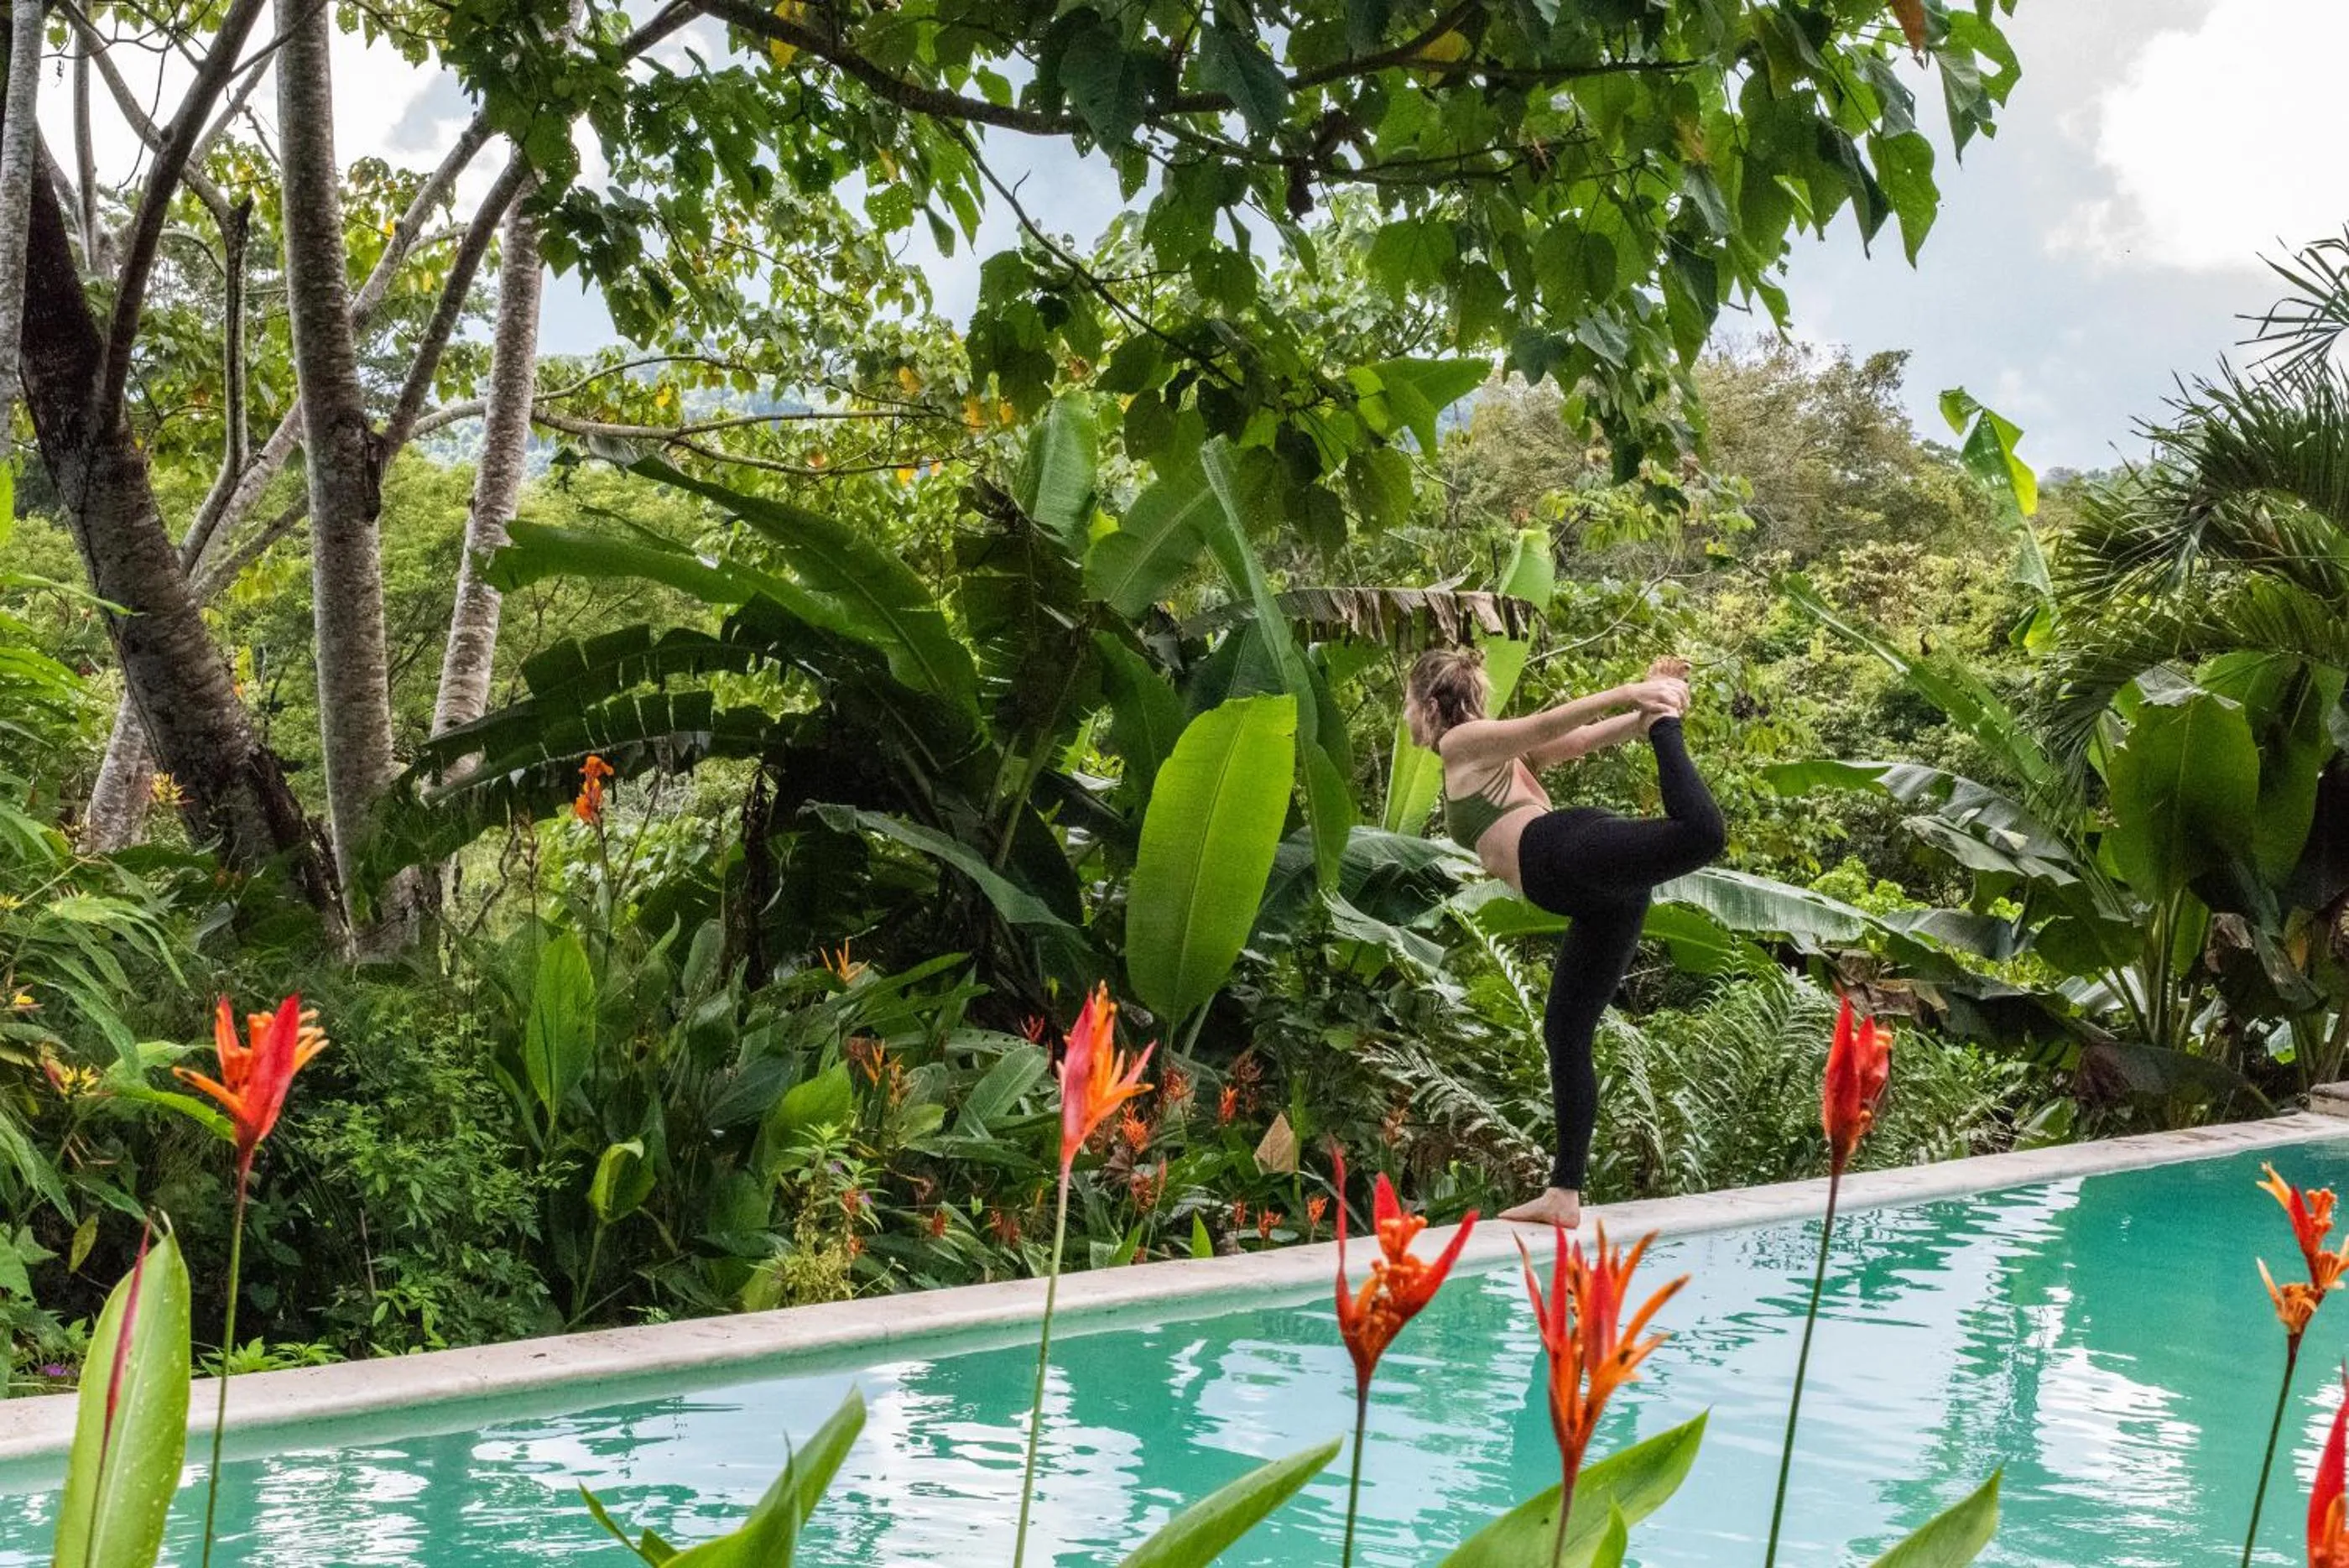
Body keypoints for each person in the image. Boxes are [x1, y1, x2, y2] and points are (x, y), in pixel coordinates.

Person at [1404, 648, 1727, 1228]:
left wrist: (1642, 700)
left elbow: (1546, 725)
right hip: (1593, 889)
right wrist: (1642, 708)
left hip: (1558, 857)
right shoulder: (1486, 753)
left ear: (1430, 704)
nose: (1405, 718)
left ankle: (1667, 730)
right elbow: (1575, 740)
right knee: (1566, 1030)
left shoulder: (1460, 742)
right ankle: (1564, 1194)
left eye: (1406, 704)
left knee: (1701, 833)